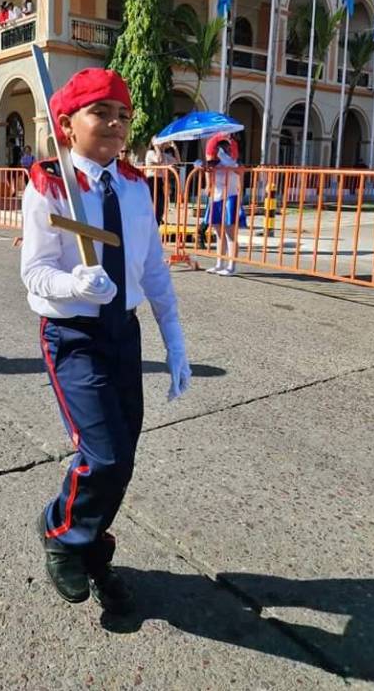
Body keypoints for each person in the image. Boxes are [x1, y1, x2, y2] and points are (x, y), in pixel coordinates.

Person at [21, 67, 191, 614]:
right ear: (67, 125)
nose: (116, 124)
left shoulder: (137, 187)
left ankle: (93, 550)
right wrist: (73, 283)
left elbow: (153, 269)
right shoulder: (49, 184)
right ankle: (60, 531)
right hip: (73, 334)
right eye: (102, 113)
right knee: (105, 454)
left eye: (123, 115)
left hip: (123, 332)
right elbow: (35, 273)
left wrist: (175, 341)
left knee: (123, 457)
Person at [203, 133, 245, 276]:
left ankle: (231, 265)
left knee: (230, 233)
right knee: (218, 233)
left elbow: (239, 172)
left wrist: (226, 159)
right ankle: (219, 263)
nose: (219, 150)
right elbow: (209, 180)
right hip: (217, 198)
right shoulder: (215, 164)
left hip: (230, 198)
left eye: (223, 147)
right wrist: (203, 167)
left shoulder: (233, 163)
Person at [144, 138, 168, 224]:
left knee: (160, 203)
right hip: (151, 180)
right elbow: (159, 160)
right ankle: (153, 221)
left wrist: (174, 147)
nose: (162, 144)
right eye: (160, 142)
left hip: (159, 180)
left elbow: (178, 161)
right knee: (153, 203)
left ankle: (158, 219)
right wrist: (156, 146)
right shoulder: (151, 153)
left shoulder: (161, 154)